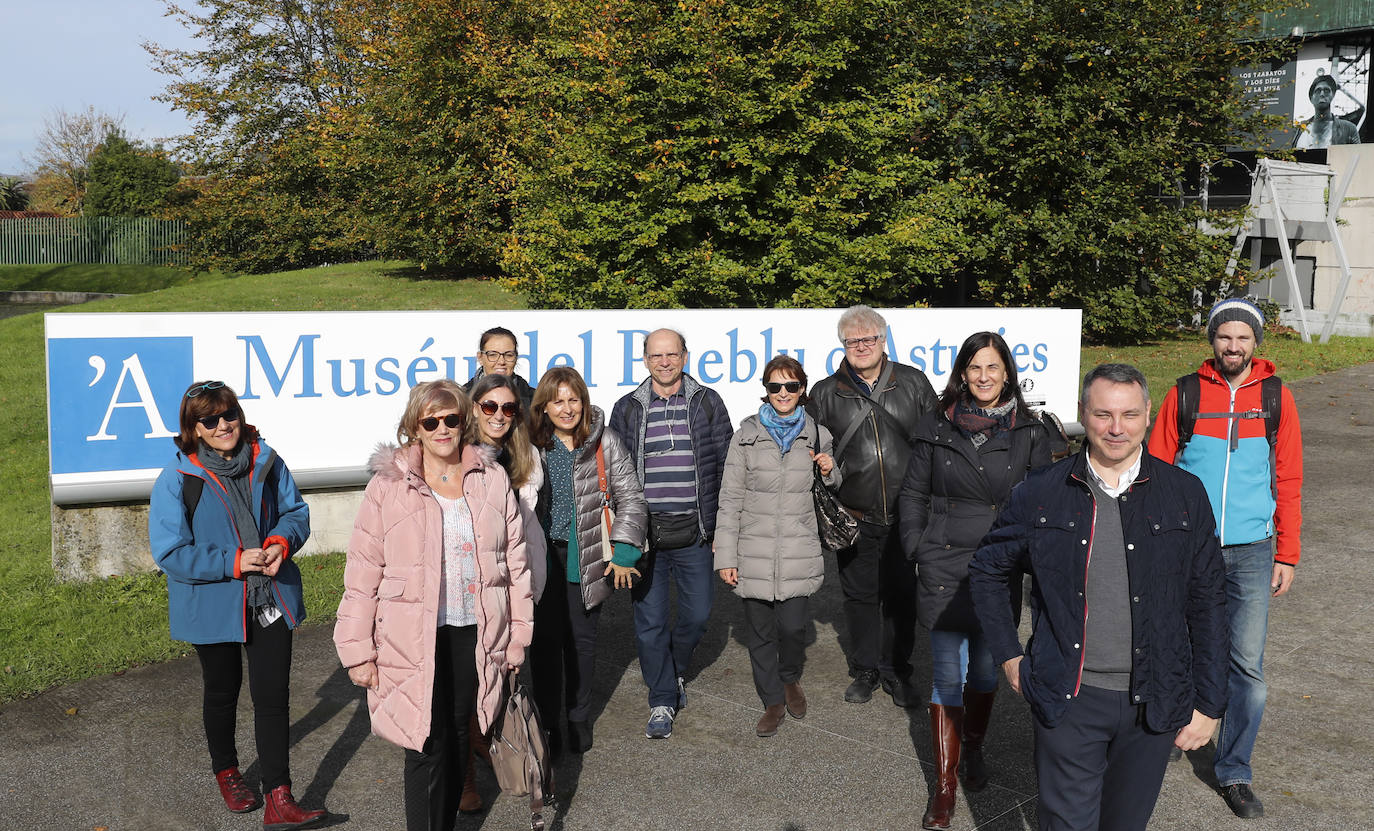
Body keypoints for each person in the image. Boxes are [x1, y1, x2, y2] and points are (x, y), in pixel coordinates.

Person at [969, 364, 1229, 831]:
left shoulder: (1184, 493)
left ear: (1148, 414)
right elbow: (988, 570)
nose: (1116, 428)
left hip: (1155, 699)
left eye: (1129, 414)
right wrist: (1009, 655)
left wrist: (1210, 703)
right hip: (1068, 697)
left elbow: (1208, 601)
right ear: (1081, 414)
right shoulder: (1042, 492)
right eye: (1104, 414)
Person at [333, 379, 534, 831]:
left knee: (461, 733)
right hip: (411, 636)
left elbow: (515, 565)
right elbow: (363, 572)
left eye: (452, 418)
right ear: (415, 427)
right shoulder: (389, 486)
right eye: (431, 420)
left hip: (474, 631)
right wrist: (357, 651)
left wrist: (519, 634)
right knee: (424, 743)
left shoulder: (492, 478)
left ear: (465, 422)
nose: (442, 428)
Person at [1147, 298, 1303, 819]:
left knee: (1247, 667)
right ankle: (1161, 737)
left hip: (1254, 550)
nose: (1233, 346)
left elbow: (1289, 478)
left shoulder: (1276, 397)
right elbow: (1156, 469)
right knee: (1175, 646)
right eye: (1224, 337)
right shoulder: (1185, 393)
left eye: (1243, 338)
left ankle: (1234, 771)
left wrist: (1288, 551)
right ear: (1211, 339)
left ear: (1256, 342)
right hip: (1190, 544)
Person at [148, 380, 324, 829]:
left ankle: (279, 799)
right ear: (195, 429)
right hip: (213, 602)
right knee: (222, 692)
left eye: (229, 415)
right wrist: (233, 562)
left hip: (270, 594)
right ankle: (227, 772)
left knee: (272, 698)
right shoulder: (177, 479)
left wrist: (282, 541)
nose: (224, 425)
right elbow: (170, 552)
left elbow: (295, 512)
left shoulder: (266, 459)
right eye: (211, 420)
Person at [897, 332, 1052, 830]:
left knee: (987, 672)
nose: (984, 377)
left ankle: (975, 752)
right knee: (946, 676)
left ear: (1007, 372)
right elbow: (912, 494)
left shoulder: (1031, 429)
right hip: (942, 562)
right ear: (962, 373)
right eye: (975, 368)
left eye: (993, 367)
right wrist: (916, 545)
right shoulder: (936, 427)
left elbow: (1045, 504)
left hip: (998, 566)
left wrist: (1025, 555)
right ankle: (944, 788)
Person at [806, 304, 937, 706]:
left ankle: (897, 671)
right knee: (860, 599)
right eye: (853, 340)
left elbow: (936, 443)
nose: (862, 346)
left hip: (906, 514)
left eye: (869, 338)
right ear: (842, 344)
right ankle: (864, 670)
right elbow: (812, 450)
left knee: (901, 598)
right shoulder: (825, 392)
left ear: (884, 340)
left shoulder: (913, 383)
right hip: (854, 515)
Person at [609, 328, 733, 740]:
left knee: (697, 615)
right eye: (656, 355)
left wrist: (721, 528)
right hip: (647, 536)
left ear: (685, 356)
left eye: (672, 354)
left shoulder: (707, 401)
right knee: (650, 623)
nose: (665, 362)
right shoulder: (626, 408)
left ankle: (675, 668)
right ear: (645, 359)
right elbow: (616, 474)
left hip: (696, 532)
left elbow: (725, 465)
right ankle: (662, 698)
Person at [714, 355, 839, 737]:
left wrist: (831, 470)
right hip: (752, 549)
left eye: (791, 386)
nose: (783, 393)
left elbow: (833, 486)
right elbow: (730, 497)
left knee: (792, 626)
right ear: (765, 391)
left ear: (802, 390)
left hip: (799, 550)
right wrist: (726, 554)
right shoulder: (746, 435)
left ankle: (789, 677)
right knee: (761, 632)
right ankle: (772, 698)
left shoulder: (817, 433)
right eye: (775, 386)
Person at [529, 366, 648, 756]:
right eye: (557, 401)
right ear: (544, 406)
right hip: (541, 557)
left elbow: (631, 498)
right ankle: (547, 725)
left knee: (581, 644)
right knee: (545, 647)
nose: (567, 409)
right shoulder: (529, 444)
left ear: (584, 400)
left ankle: (577, 716)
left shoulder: (605, 441)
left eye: (573, 399)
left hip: (588, 557)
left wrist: (626, 552)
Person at [449, 372, 547, 814]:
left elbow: (527, 529)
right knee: (468, 683)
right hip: (473, 585)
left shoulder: (524, 454)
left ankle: (490, 745)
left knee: (498, 677)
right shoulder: (457, 454)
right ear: (473, 409)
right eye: (489, 407)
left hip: (519, 576)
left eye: (508, 408)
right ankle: (467, 775)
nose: (500, 416)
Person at [463, 326, 536, 412]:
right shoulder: (463, 398)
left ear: (516, 358)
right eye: (493, 355)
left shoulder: (533, 400)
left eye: (509, 355)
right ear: (480, 358)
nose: (501, 361)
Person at [1294, 73, 1363, 149]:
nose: (1322, 94)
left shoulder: (1349, 129)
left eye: (1326, 90)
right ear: (1311, 98)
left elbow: (1358, 157)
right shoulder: (1299, 129)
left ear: (1332, 95)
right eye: (1318, 91)